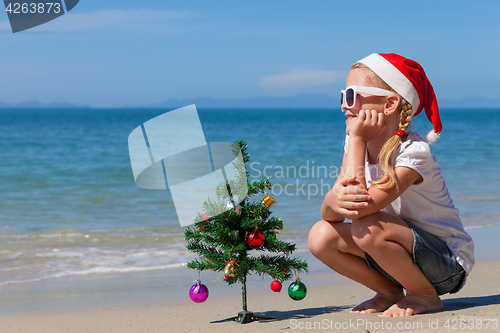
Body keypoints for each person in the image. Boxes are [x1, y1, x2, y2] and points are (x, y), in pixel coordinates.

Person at [308, 53, 474, 317]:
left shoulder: (414, 152)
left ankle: (424, 294)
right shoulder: (354, 144)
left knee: (366, 225)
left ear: (389, 104)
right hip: (394, 255)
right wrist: (330, 201)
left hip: (445, 265)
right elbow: (333, 214)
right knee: (320, 236)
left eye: (352, 96)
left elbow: (361, 209)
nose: (343, 106)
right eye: (343, 96)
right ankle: (389, 291)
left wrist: (358, 140)